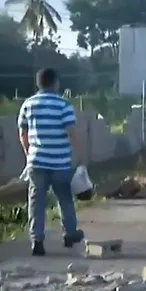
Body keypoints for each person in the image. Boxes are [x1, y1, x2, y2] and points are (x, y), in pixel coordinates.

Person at [17, 68, 85, 256]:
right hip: (60, 162)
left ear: (39, 84)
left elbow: (22, 134)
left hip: (36, 162)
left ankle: (37, 241)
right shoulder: (63, 105)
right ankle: (70, 234)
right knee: (64, 198)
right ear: (55, 83)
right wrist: (79, 156)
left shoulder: (28, 105)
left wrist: (29, 153)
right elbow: (71, 133)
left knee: (36, 201)